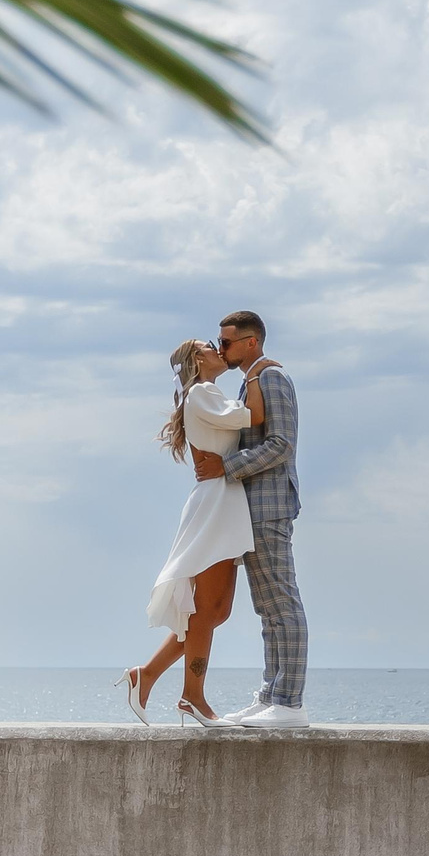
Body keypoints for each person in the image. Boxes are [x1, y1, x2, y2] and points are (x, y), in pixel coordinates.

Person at [126, 338, 260, 726]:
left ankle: (146, 675)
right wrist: (257, 369)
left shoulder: (206, 393)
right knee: (205, 611)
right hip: (217, 504)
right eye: (209, 346)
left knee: (216, 611)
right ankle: (192, 696)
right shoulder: (202, 392)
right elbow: (253, 416)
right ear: (196, 360)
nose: (219, 348)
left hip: (224, 501)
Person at [193, 310, 308, 728]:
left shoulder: (272, 379)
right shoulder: (253, 380)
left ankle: (290, 702)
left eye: (225, 343)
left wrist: (227, 466)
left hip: (271, 505)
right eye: (218, 343)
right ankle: (271, 695)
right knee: (267, 608)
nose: (221, 349)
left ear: (251, 342)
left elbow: (281, 444)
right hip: (253, 508)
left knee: (282, 603)